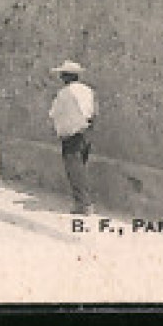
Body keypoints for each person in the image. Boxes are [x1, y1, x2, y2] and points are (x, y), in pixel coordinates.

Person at [49, 59, 99, 214]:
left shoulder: (64, 93)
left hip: (72, 134)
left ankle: (83, 204)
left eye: (63, 75)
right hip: (87, 131)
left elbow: (54, 113)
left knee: (74, 167)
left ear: (66, 77)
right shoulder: (88, 90)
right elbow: (94, 109)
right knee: (81, 166)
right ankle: (83, 201)